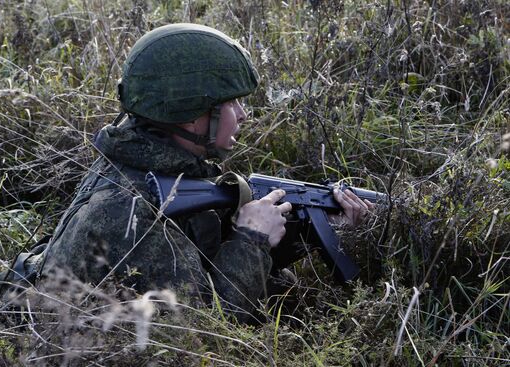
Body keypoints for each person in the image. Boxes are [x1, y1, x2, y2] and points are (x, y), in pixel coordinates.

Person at [35, 23, 373, 322]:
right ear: (192, 114)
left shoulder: (148, 164)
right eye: (230, 104)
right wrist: (251, 239)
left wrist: (309, 233)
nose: (243, 115)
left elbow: (201, 264)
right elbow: (204, 330)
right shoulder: (133, 209)